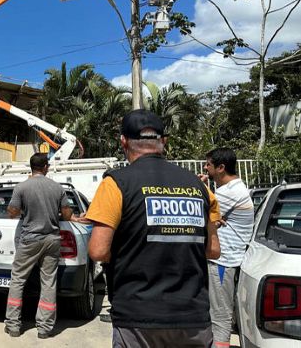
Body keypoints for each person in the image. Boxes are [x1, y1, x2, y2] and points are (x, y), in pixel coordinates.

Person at [85, 109, 222, 347]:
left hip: (138, 316)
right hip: (193, 316)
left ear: (123, 142)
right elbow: (213, 251)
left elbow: (98, 251)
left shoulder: (116, 183)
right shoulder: (198, 187)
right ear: (164, 142)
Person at [4, 152, 69, 339]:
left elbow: (12, 213)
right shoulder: (57, 188)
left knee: (18, 280)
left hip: (29, 240)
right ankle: (44, 328)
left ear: (30, 167)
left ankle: (14, 326)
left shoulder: (22, 187)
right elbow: (66, 214)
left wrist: (23, 207)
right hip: (52, 240)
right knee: (48, 282)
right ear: (46, 167)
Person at [199, 148, 254, 348]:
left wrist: (200, 188)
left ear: (221, 168)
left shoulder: (231, 192)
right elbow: (212, 214)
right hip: (224, 260)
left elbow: (201, 210)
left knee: (220, 317)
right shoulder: (230, 191)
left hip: (222, 261)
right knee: (218, 315)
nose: (205, 168)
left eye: (208, 164)